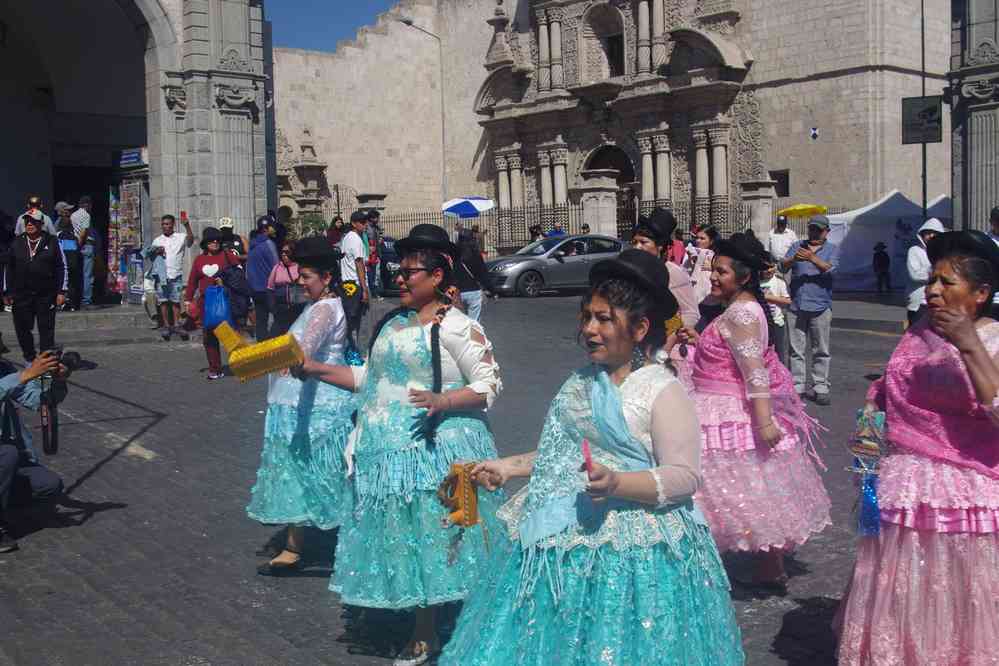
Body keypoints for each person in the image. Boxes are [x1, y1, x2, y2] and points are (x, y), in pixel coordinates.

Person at [440, 250, 744, 666]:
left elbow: (684, 476)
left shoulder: (661, 390)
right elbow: (560, 454)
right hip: (563, 535)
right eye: (587, 317)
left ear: (639, 328)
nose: (590, 329)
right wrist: (508, 467)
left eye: (604, 319)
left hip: (638, 548)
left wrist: (618, 483)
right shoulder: (580, 382)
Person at [298, 224, 504, 665]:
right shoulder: (392, 323)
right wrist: (313, 367)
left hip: (435, 452)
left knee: (433, 540)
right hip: (385, 456)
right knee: (408, 543)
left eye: (412, 271)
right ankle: (423, 620)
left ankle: (427, 631)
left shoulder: (458, 327)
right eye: (400, 269)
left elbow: (489, 385)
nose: (401, 278)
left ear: (438, 277)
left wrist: (444, 400)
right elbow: (367, 379)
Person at [835, 230, 999, 665]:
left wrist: (968, 344)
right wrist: (868, 439)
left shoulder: (994, 337)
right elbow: (889, 388)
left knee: (955, 593)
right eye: (932, 280)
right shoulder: (919, 331)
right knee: (904, 589)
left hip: (964, 493)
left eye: (948, 282)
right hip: (903, 486)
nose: (933, 290)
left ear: (981, 293)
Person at [676, 232, 830, 590]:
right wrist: (702, 342)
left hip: (725, 412)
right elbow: (732, 358)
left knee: (727, 491)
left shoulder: (742, 312)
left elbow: (754, 370)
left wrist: (763, 422)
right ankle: (767, 565)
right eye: (713, 270)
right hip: (719, 405)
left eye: (722, 272)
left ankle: (748, 565)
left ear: (744, 277)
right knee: (746, 488)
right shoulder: (740, 310)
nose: (713, 277)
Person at [247, 236, 356, 575]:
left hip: (318, 409)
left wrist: (253, 358)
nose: (300, 281)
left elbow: (304, 350)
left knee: (318, 475)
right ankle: (298, 546)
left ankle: (330, 544)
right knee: (304, 475)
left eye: (307, 276)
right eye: (300, 274)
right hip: (301, 404)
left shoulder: (324, 309)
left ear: (326, 277)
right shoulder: (317, 306)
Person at [0, 351, 68, 553]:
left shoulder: (3, 369)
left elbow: (37, 399)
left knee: (48, 485)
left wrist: (52, 377)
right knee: (7, 454)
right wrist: (25, 375)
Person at [780, 215, 840, 405]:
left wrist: (812, 258)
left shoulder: (832, 249)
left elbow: (832, 270)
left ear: (826, 232)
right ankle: (797, 386)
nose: (814, 233)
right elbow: (782, 266)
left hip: (820, 305)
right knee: (796, 349)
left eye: (818, 230)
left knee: (821, 349)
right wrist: (792, 259)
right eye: (812, 229)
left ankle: (820, 386)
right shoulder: (797, 245)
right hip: (797, 305)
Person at [4, 211, 67, 362]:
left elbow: (61, 266)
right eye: (27, 222)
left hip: (45, 294)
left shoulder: (52, 241)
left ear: (41, 224)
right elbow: (9, 268)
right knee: (22, 328)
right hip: (21, 294)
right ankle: (30, 358)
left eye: (33, 221)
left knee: (46, 330)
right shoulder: (16, 242)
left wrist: (61, 291)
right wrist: (7, 292)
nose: (30, 224)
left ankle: (45, 362)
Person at [184, 228, 235, 380]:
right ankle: (215, 369)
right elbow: (192, 281)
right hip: (205, 305)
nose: (215, 243)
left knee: (229, 336)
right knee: (209, 337)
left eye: (217, 240)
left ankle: (241, 363)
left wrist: (225, 281)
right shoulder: (199, 260)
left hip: (224, 302)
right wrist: (187, 299)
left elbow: (239, 274)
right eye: (212, 240)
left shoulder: (228, 256)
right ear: (205, 243)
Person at [148, 214, 194, 341]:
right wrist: (156, 251)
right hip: (161, 275)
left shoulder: (180, 237)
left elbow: (190, 241)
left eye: (168, 224)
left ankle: (177, 325)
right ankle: (167, 326)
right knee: (163, 301)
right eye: (163, 224)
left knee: (175, 301)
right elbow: (150, 255)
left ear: (173, 224)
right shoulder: (157, 240)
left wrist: (187, 225)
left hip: (175, 274)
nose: (165, 226)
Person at [338, 211, 369, 352]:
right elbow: (359, 263)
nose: (365, 225)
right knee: (356, 322)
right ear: (354, 223)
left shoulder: (347, 238)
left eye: (366, 222)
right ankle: (354, 351)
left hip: (347, 284)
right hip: (355, 284)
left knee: (350, 321)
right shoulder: (355, 239)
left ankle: (351, 350)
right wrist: (364, 289)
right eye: (362, 222)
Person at [906, 218, 945, 326]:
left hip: (938, 302)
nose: (931, 236)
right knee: (916, 338)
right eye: (928, 233)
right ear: (922, 235)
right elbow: (915, 275)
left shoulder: (944, 253)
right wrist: (937, 272)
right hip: (919, 303)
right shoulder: (914, 250)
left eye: (935, 233)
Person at [247, 217, 280, 340]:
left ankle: (262, 347)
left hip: (255, 289)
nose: (274, 228)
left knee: (261, 321)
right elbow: (276, 266)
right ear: (267, 229)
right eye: (272, 226)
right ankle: (275, 347)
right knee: (279, 318)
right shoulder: (269, 244)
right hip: (268, 289)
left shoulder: (253, 244)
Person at [760, 254, 791, 366]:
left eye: (771, 267)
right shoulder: (756, 282)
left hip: (776, 322)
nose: (769, 270)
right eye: (765, 268)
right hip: (761, 324)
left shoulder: (779, 282)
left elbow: (787, 301)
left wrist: (769, 298)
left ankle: (781, 376)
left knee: (779, 352)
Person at [54, 203, 81, 311]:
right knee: (72, 283)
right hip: (73, 262)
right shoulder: (73, 235)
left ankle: (63, 302)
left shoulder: (58, 235)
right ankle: (72, 303)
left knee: (63, 282)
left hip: (64, 262)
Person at [71, 197, 96, 308]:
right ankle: (86, 300)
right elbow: (84, 232)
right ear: (87, 205)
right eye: (90, 205)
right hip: (85, 245)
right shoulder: (86, 215)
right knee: (88, 275)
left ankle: (75, 298)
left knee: (77, 274)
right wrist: (80, 245)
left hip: (75, 245)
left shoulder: (73, 215)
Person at [366, 210, 383, 301]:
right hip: (370, 254)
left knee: (376, 274)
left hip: (376, 253)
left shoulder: (376, 227)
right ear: (372, 218)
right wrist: (368, 247)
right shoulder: (367, 227)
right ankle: (372, 293)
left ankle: (374, 292)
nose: (378, 219)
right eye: (377, 217)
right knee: (371, 274)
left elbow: (378, 237)